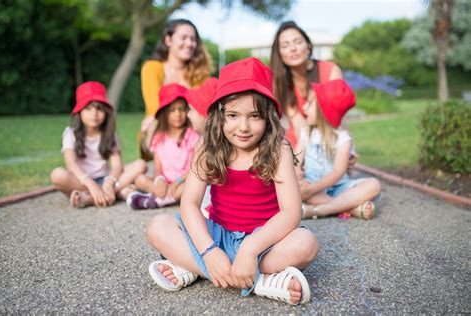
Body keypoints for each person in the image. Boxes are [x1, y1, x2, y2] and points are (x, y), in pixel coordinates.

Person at [145, 58, 319, 305]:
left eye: (254, 116)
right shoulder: (207, 148)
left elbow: (291, 213)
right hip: (217, 236)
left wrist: (250, 249)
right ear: (220, 115)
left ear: (268, 116)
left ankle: (195, 268)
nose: (243, 127)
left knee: (306, 244)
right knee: (157, 226)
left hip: (265, 240)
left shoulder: (278, 149)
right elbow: (190, 204)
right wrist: (209, 250)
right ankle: (261, 281)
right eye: (233, 115)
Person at [50, 81, 147, 208]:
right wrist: (91, 185)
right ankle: (116, 193)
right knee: (57, 175)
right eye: (88, 108)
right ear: (80, 112)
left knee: (141, 164)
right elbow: (71, 164)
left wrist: (108, 183)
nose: (94, 113)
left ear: (106, 112)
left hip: (106, 179)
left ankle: (90, 198)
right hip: (82, 181)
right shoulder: (70, 134)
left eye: (99, 108)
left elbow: (117, 166)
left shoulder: (110, 134)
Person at [296, 80, 381, 220]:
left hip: (338, 188)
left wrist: (310, 190)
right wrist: (296, 172)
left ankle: (320, 210)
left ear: (324, 111)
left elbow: (338, 172)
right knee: (295, 189)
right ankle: (352, 208)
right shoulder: (306, 133)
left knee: (374, 185)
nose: (304, 107)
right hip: (310, 185)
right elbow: (295, 160)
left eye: (310, 104)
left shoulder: (343, 139)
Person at [140, 19, 212, 160]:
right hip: (160, 130)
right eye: (183, 38)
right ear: (168, 40)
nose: (190, 43)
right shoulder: (152, 67)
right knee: (151, 121)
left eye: (193, 39)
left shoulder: (200, 73)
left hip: (191, 134)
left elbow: (201, 109)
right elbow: (155, 108)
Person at [270, 20, 343, 149]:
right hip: (298, 142)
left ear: (308, 45)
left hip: (329, 138)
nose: (293, 49)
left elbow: (334, 118)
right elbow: (299, 125)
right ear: (279, 54)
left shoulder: (330, 70)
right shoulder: (280, 81)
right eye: (285, 45)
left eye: (298, 42)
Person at [128, 84, 199, 210]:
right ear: (165, 113)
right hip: (165, 181)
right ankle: (161, 194)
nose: (178, 114)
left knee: (189, 188)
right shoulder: (159, 137)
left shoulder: (192, 135)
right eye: (172, 110)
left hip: (184, 180)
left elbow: (195, 167)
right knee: (139, 179)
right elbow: (157, 168)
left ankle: (156, 201)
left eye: (182, 109)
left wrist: (177, 182)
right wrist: (159, 180)